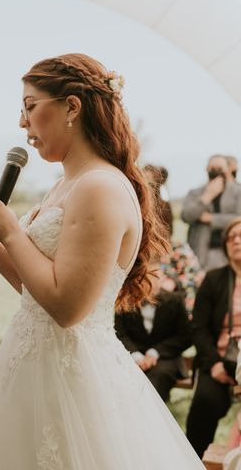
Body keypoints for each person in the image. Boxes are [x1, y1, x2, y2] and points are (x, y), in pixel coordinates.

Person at [0, 53, 204, 468]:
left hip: (73, 376)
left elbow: (68, 308)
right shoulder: (65, 185)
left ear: (72, 106)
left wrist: (13, 231)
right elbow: (40, 289)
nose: (22, 123)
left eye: (30, 107)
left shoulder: (99, 187)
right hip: (33, 361)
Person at [186, 216, 241, 458]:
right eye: (231, 237)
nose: (236, 241)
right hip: (219, 362)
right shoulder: (214, 278)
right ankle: (190, 460)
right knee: (205, 403)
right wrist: (214, 364)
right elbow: (198, 327)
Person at [115, 262, 191, 402]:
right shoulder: (125, 301)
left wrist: (155, 352)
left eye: (155, 277)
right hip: (134, 355)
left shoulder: (175, 300)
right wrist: (136, 356)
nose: (149, 281)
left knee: (156, 377)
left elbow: (185, 336)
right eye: (143, 277)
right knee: (123, 375)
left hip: (166, 358)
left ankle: (149, 417)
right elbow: (120, 333)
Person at [181, 154, 241, 271]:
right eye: (213, 169)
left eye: (220, 169)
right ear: (207, 169)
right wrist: (207, 197)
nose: (216, 172)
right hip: (201, 253)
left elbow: (238, 218)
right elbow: (186, 216)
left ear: (227, 170)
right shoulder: (195, 193)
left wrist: (210, 218)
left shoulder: (238, 192)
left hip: (230, 251)